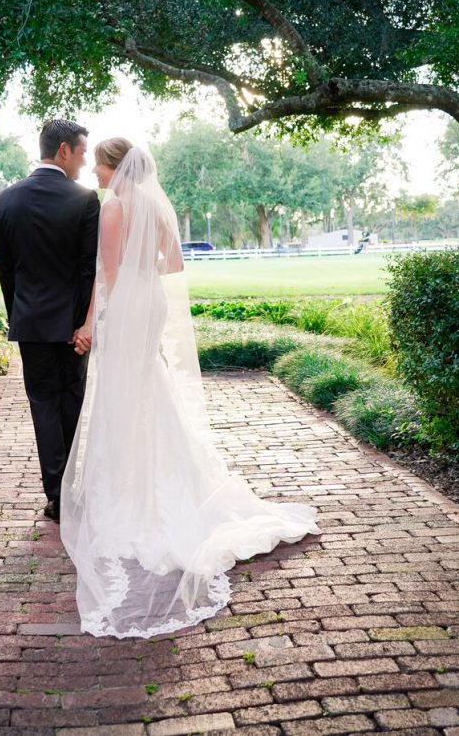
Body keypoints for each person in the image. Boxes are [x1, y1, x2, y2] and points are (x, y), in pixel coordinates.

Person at [60, 139, 320, 638]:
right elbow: (174, 264)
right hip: (151, 302)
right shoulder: (157, 206)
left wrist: (95, 321)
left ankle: (130, 489)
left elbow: (106, 276)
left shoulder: (114, 209)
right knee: (146, 388)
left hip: (128, 307)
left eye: (99, 163)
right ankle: (159, 474)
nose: (93, 169)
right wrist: (144, 270)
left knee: (121, 397)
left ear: (116, 167)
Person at [0, 119, 100, 523]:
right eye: (82, 152)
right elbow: (87, 270)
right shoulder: (85, 200)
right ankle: (70, 492)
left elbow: (8, 273)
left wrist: (18, 315)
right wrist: (82, 326)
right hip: (72, 329)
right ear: (63, 151)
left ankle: (55, 494)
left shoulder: (6, 200)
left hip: (31, 323)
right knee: (70, 403)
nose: (84, 161)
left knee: (42, 405)